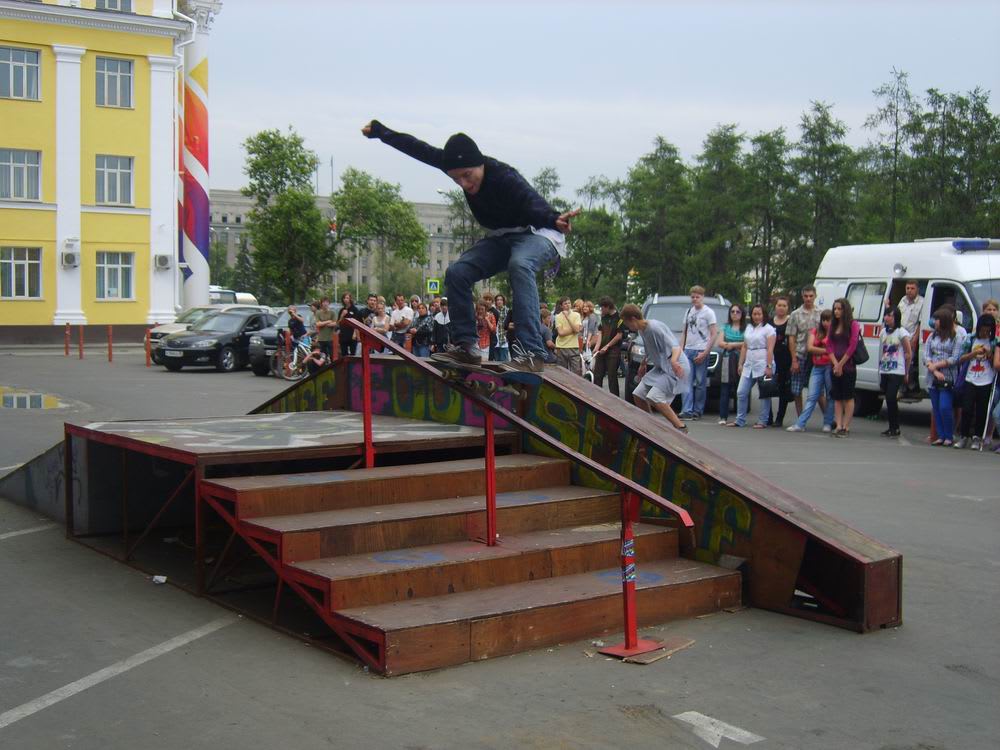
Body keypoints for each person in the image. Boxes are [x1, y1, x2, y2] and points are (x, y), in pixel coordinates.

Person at [362, 119, 579, 372]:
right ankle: (467, 347)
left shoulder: (504, 176)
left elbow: (531, 202)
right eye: (456, 179)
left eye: (467, 175)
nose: (464, 184)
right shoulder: (454, 165)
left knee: (520, 264)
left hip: (538, 232)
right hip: (503, 238)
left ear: (480, 164)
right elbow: (418, 148)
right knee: (458, 272)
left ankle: (532, 352)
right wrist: (380, 132)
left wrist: (553, 218)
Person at [621, 303, 690, 432]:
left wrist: (674, 362)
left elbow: (675, 347)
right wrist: (643, 363)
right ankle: (652, 426)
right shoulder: (642, 330)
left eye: (627, 323)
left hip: (675, 367)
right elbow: (650, 349)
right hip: (662, 367)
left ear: (633, 319)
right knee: (638, 394)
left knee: (654, 396)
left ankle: (681, 427)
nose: (628, 327)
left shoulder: (654, 328)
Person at [788, 310, 836, 433]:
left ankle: (828, 423)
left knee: (830, 396)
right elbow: (810, 348)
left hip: (830, 366)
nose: (825, 323)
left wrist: (821, 350)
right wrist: (826, 351)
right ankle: (800, 424)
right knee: (811, 396)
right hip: (817, 367)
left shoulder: (835, 333)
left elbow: (835, 349)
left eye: (828, 320)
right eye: (823, 320)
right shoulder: (815, 331)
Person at [955, 314, 997, 449]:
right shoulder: (970, 339)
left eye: (988, 331)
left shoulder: (994, 342)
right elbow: (961, 358)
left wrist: (989, 355)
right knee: (966, 408)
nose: (985, 333)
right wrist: (973, 353)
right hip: (970, 378)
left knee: (981, 410)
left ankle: (977, 437)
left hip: (986, 379)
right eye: (983, 330)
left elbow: (995, 362)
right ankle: (964, 436)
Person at [924, 307, 963, 446]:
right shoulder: (932, 336)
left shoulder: (956, 337)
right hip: (933, 377)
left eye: (937, 319)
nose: (934, 322)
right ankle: (940, 436)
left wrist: (937, 365)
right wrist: (934, 370)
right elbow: (926, 356)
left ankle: (949, 435)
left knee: (945, 407)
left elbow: (955, 358)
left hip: (948, 377)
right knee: (936, 408)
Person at [679, 285, 718, 421]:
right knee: (686, 380)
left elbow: (713, 333)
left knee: (700, 382)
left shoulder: (708, 312)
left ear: (702, 297)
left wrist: (706, 352)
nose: (695, 299)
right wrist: (681, 349)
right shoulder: (689, 311)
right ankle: (686, 410)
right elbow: (684, 332)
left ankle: (698, 410)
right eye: (693, 297)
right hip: (688, 349)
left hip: (701, 349)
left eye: (697, 297)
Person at [733, 303, 775, 429]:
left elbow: (770, 349)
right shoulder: (749, 328)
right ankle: (740, 419)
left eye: (759, 314)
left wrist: (769, 366)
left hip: (762, 362)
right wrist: (740, 363)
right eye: (754, 314)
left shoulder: (769, 329)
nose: (756, 316)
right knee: (741, 392)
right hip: (749, 363)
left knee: (764, 393)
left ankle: (763, 420)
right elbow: (745, 346)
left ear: (764, 315)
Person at [786, 284, 822, 417]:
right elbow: (791, 338)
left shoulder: (821, 313)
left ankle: (828, 420)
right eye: (806, 296)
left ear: (815, 296)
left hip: (816, 355)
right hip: (800, 354)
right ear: (802, 297)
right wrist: (793, 359)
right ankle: (800, 418)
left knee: (819, 390)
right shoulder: (795, 314)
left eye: (811, 296)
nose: (808, 299)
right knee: (797, 390)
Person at [827, 298, 861, 437]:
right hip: (835, 366)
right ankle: (838, 424)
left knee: (848, 396)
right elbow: (829, 345)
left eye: (839, 309)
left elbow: (852, 345)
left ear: (845, 310)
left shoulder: (853, 324)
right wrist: (835, 363)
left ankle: (846, 426)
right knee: (837, 397)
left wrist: (841, 364)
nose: (836, 311)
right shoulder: (833, 325)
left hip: (848, 366)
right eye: (835, 309)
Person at [877, 306, 912, 437]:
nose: (887, 318)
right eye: (886, 315)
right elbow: (882, 351)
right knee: (888, 398)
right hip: (885, 368)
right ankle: (892, 426)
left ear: (896, 317)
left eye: (890, 315)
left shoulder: (902, 332)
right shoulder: (883, 332)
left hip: (897, 370)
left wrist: (906, 372)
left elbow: (908, 353)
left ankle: (895, 427)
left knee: (892, 397)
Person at [715, 303, 746, 425]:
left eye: (738, 312)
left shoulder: (746, 328)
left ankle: (740, 417)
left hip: (742, 360)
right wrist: (737, 345)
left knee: (740, 389)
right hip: (727, 360)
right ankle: (723, 416)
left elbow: (747, 343)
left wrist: (731, 345)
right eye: (732, 311)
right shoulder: (725, 327)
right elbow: (719, 342)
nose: (735, 314)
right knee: (725, 387)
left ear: (742, 314)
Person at [769, 295, 793, 427]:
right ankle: (768, 416)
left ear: (788, 308)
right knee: (767, 387)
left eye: (784, 306)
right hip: (771, 358)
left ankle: (779, 418)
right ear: (775, 306)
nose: (781, 308)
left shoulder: (791, 321)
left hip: (785, 359)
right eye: (779, 305)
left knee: (783, 389)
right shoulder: (769, 322)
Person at [594, 297, 624, 396]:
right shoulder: (603, 317)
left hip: (613, 350)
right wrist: (597, 346)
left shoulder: (619, 318)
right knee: (597, 374)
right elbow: (600, 332)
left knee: (612, 376)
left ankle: (615, 398)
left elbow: (619, 335)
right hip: (601, 349)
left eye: (602, 308)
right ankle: (596, 397)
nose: (601, 310)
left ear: (607, 307)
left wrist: (607, 346)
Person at [898, 280, 924, 394]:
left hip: (911, 336)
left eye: (912, 288)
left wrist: (915, 338)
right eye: (907, 288)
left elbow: (921, 323)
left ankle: (909, 386)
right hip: (900, 336)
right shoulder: (902, 300)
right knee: (900, 361)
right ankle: (901, 386)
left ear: (917, 289)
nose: (909, 290)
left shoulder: (922, 302)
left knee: (909, 362)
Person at [554, 296, 583, 375]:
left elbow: (577, 330)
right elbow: (561, 333)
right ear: (561, 306)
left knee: (576, 371)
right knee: (562, 372)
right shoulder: (558, 316)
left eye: (569, 303)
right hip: (561, 346)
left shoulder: (576, 315)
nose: (568, 305)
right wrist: (574, 329)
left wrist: (567, 318)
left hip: (573, 346)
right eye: (565, 303)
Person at [337, 292, 364, 357]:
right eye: (344, 298)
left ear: (350, 299)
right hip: (343, 335)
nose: (346, 299)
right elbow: (338, 323)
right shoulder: (342, 310)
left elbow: (357, 323)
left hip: (352, 334)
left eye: (347, 298)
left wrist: (355, 334)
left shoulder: (355, 309)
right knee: (344, 354)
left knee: (353, 354)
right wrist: (342, 315)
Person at [490, 293, 510, 362]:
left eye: (501, 300)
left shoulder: (507, 311)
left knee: (504, 363)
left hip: (503, 340)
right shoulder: (493, 311)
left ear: (503, 301)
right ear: (495, 301)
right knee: (496, 363)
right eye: (497, 300)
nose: (499, 301)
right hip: (495, 341)